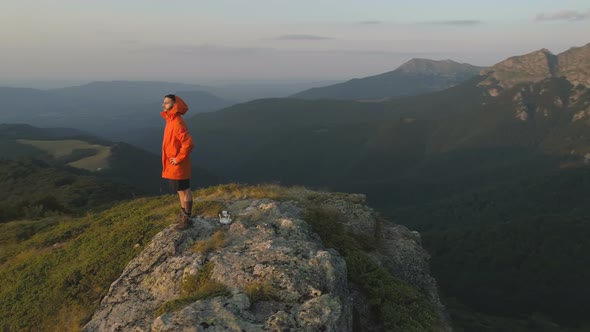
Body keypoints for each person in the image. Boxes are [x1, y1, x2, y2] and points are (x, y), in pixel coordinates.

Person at [161, 94, 195, 230]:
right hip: (173, 165)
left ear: (175, 105)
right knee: (180, 190)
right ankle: (184, 216)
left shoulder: (177, 122)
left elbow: (188, 143)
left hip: (178, 165)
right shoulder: (170, 121)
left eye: (167, 103)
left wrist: (179, 158)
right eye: (163, 102)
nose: (163, 105)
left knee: (185, 190)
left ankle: (187, 219)